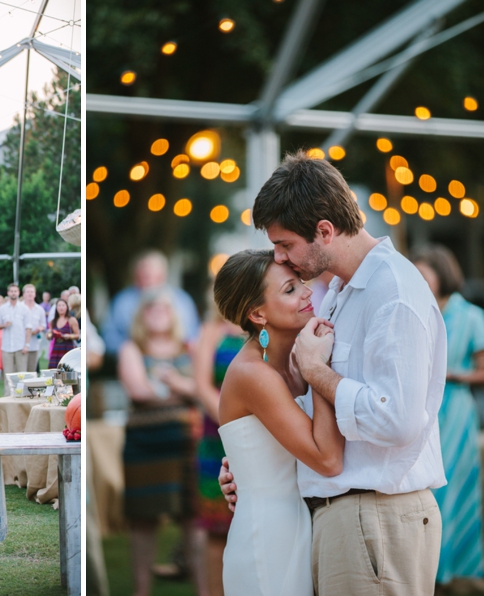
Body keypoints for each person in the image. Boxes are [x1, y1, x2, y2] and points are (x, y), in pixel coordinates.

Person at [220, 152, 446, 595]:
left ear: (324, 230)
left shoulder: (392, 294)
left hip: (375, 516)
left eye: (285, 245)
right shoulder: (341, 293)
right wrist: (257, 462)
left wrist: (317, 372)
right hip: (343, 518)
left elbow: (396, 420)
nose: (282, 257)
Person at [212, 250, 343, 595]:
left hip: (309, 523)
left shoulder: (298, 363)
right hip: (271, 537)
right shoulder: (253, 374)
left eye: (300, 283)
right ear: (257, 313)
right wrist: (319, 370)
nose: (307, 292)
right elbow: (327, 458)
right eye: (289, 290)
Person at [118, 289, 207, 596]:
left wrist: (175, 383)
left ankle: (203, 590)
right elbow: (139, 391)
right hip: (144, 445)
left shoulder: (190, 347)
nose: (158, 313)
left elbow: (204, 388)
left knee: (193, 518)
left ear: (174, 314)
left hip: (186, 443)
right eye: (151, 308)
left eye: (164, 308)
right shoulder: (132, 348)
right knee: (143, 520)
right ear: (142, 315)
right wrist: (185, 390)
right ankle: (141, 591)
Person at [413, 245, 484, 588]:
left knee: (454, 487)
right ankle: (428, 570)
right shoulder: (416, 311)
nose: (419, 281)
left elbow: (482, 371)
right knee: (426, 491)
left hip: (455, 412)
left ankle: (454, 570)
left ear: (442, 275)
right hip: (422, 410)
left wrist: (452, 375)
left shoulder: (470, 315)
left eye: (424, 275)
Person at [191, 314, 245, 596]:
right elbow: (201, 384)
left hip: (264, 433)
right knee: (217, 528)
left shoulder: (265, 326)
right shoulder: (213, 330)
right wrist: (234, 423)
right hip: (217, 437)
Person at [102, 250, 201, 354]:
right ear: (135, 276)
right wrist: (128, 350)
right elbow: (108, 336)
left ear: (163, 275)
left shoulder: (182, 300)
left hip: (176, 356)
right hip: (133, 357)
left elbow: (193, 335)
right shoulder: (122, 301)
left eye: (152, 275)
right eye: (144, 275)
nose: (148, 280)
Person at [0, 284, 31, 374]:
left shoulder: (24, 308)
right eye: (11, 291)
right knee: (8, 375)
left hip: (20, 346)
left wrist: (26, 345)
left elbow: (28, 328)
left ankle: (21, 389)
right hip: (7, 347)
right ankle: (9, 389)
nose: (13, 293)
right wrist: (4, 325)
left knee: (22, 374)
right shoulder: (2, 309)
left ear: (18, 293)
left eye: (15, 291)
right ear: (8, 293)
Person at [48, 299, 79, 369]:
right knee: (54, 370)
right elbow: (49, 335)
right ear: (56, 308)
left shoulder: (71, 320)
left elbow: (77, 335)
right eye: (59, 305)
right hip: (56, 348)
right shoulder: (53, 321)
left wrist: (69, 336)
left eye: (63, 305)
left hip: (67, 347)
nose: (61, 307)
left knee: (67, 369)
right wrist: (49, 335)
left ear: (66, 307)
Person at [22, 284, 47, 373]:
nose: (30, 294)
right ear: (24, 294)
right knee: (21, 371)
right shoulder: (20, 308)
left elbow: (43, 325)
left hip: (34, 343)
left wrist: (39, 328)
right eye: (28, 292)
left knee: (32, 370)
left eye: (32, 292)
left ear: (35, 294)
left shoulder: (40, 309)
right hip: (20, 344)